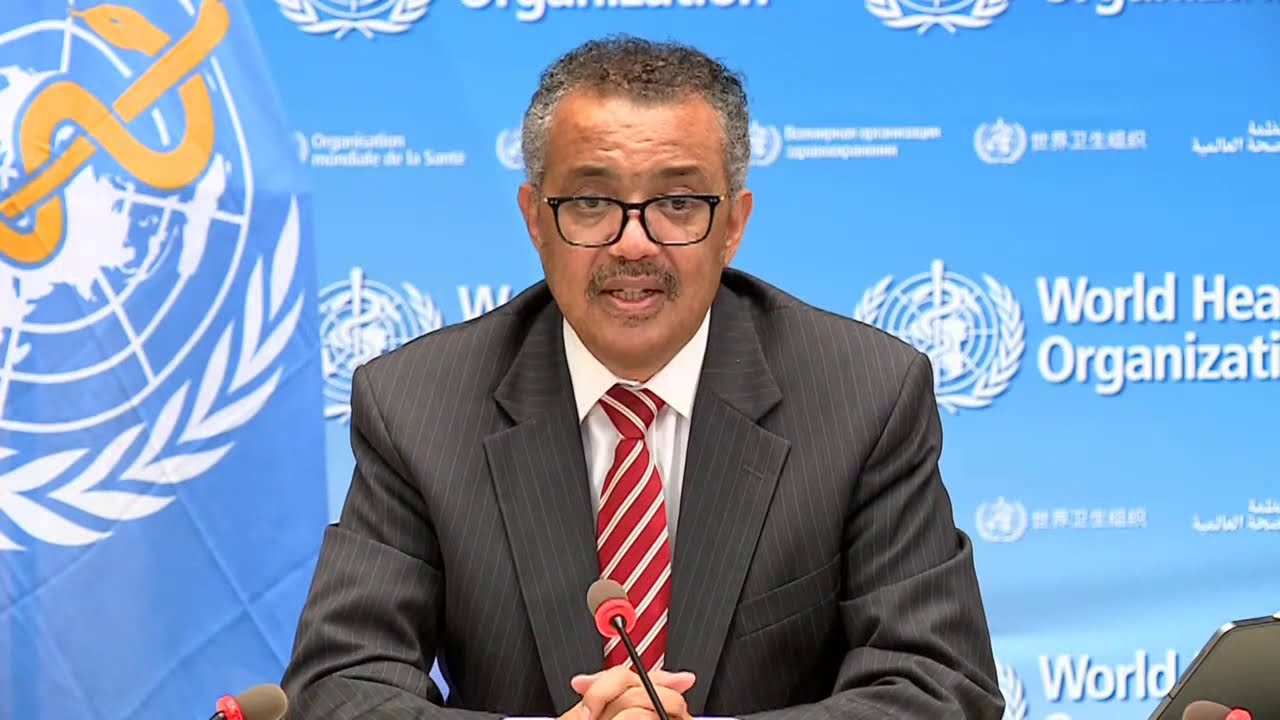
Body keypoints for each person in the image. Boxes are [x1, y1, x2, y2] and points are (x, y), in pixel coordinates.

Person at [280, 35, 1004, 720]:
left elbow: (939, 685)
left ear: (734, 224)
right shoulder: (420, 406)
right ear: (535, 219)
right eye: (592, 202)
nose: (633, 244)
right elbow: (339, 685)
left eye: (678, 204)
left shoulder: (864, 396)